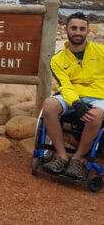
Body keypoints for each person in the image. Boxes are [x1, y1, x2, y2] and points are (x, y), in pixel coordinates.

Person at [41, 12, 104, 180]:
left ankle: (78, 158)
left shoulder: (101, 52)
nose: (78, 32)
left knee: (96, 114)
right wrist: (76, 103)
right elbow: (65, 85)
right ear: (66, 29)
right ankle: (61, 155)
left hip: (99, 97)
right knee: (49, 105)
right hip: (72, 96)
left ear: (88, 31)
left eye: (82, 29)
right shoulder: (57, 60)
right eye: (74, 28)